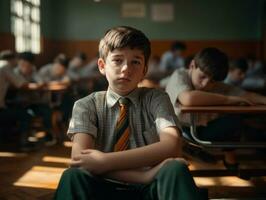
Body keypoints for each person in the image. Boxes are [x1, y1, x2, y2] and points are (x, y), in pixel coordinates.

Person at [54, 26, 204, 200]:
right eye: (117, 60)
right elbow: (81, 161)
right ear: (102, 66)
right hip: (103, 185)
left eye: (136, 62)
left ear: (144, 70)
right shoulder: (85, 105)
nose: (126, 68)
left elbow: (172, 146)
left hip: (150, 187)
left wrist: (105, 162)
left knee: (175, 169)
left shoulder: (156, 99)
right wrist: (142, 176)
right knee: (72, 176)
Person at [165, 47, 266, 169]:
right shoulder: (180, 75)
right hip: (180, 131)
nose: (206, 84)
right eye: (202, 77)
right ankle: (187, 146)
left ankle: (227, 159)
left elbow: (246, 95)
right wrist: (230, 100)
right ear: (192, 65)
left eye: (212, 81)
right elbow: (188, 99)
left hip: (201, 129)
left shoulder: (216, 84)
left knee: (235, 120)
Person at [0, 50, 34, 151]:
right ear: (13, 60)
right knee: (25, 115)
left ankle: (7, 140)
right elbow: (22, 84)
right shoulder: (6, 66)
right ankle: (24, 144)